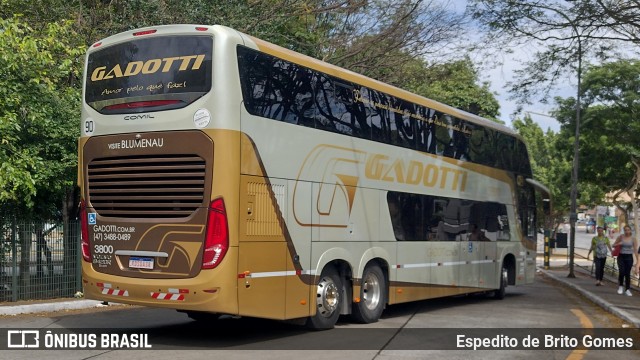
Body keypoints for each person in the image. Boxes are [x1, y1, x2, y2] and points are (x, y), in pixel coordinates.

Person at [612, 225, 640, 296]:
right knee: (621, 271)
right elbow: (613, 245)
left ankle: (627, 289)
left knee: (627, 273)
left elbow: (635, 250)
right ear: (624, 231)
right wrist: (619, 243)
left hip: (629, 257)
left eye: (628, 230)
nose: (627, 231)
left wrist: (637, 261)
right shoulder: (621, 237)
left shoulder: (633, 239)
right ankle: (620, 286)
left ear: (630, 230)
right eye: (625, 230)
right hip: (621, 256)